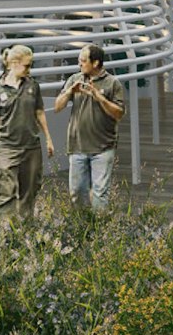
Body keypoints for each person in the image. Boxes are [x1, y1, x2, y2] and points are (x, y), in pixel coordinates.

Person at [48, 43, 125, 211]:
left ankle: (99, 231)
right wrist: (69, 92)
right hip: (77, 146)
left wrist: (100, 98)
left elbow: (119, 114)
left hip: (103, 147)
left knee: (100, 193)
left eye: (83, 61)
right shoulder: (75, 79)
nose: (79, 64)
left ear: (96, 63)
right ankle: (82, 229)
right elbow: (57, 106)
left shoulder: (112, 83)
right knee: (76, 193)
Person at [0, 43, 48, 212]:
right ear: (14, 63)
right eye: (27, 65)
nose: (29, 69)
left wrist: (48, 139)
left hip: (31, 147)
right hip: (7, 147)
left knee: (30, 192)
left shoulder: (33, 86)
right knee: (6, 193)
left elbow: (40, 112)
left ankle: (24, 233)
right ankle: (7, 234)